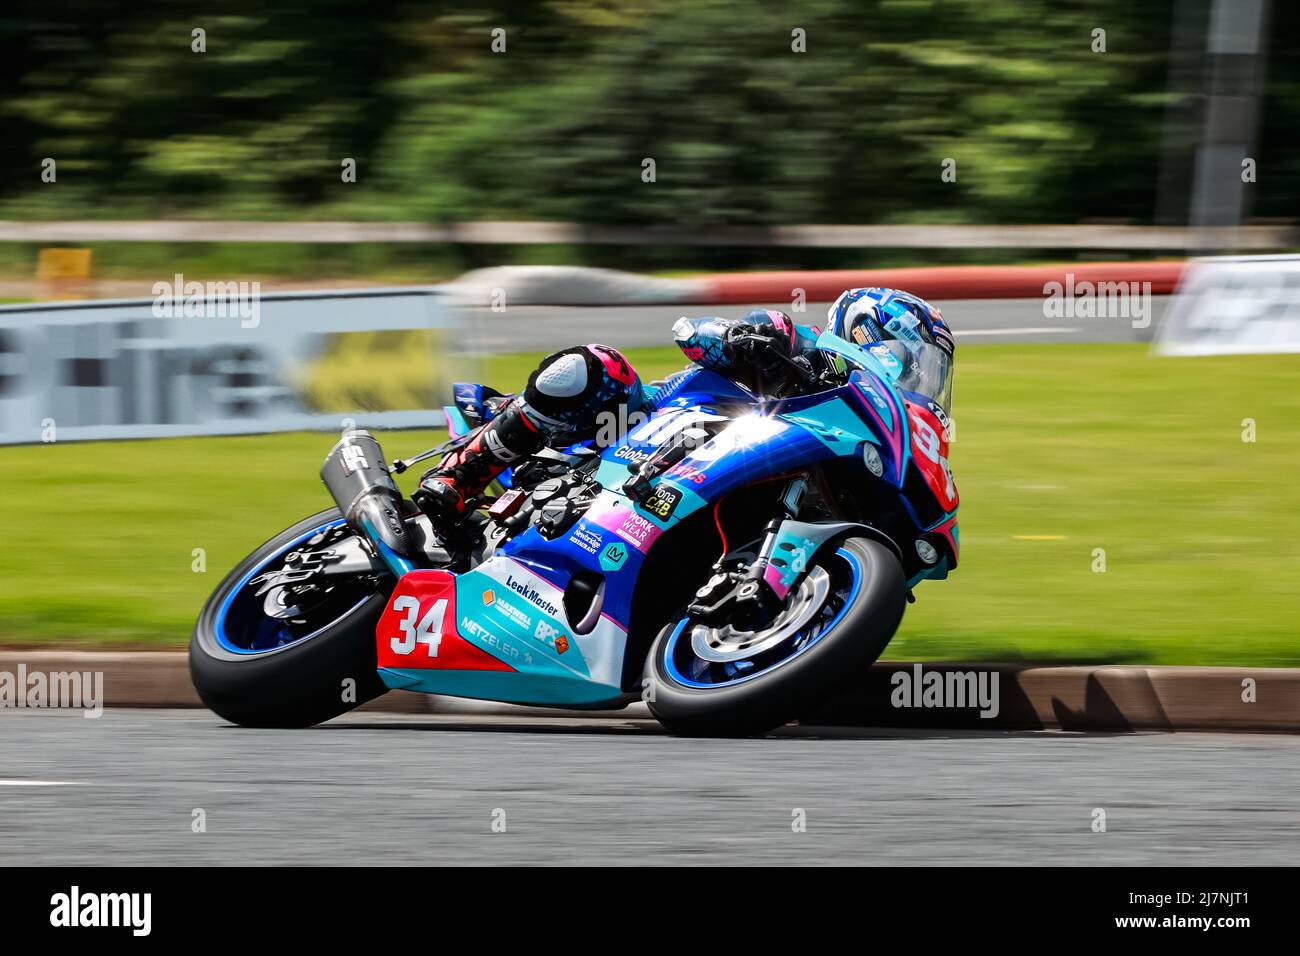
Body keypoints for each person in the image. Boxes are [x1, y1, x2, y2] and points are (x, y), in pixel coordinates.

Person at [412, 289, 954, 528]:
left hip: (707, 483)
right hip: (634, 430)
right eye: (918, 360)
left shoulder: (869, 430)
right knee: (594, 366)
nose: (923, 379)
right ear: (870, 332)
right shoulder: (806, 345)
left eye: (934, 372)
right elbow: (696, 335)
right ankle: (464, 472)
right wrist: (745, 340)